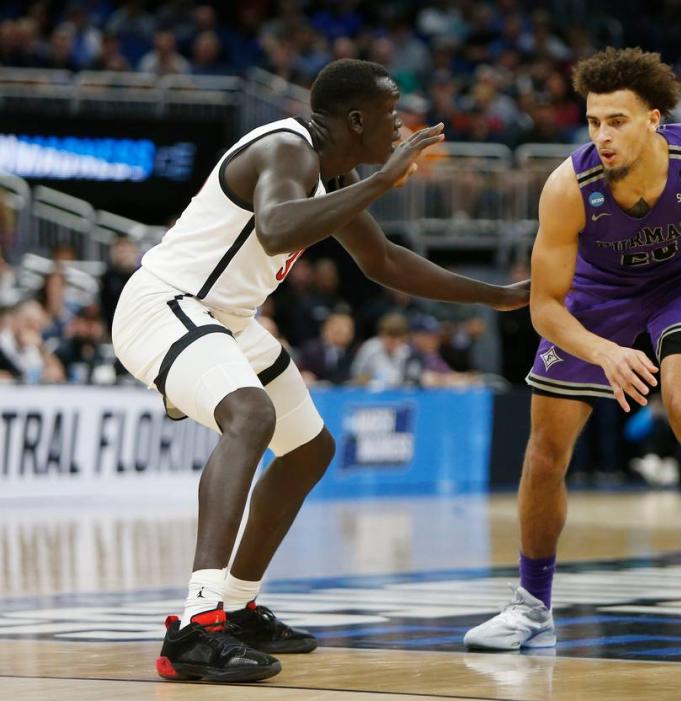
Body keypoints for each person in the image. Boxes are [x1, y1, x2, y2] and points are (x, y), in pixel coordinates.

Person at [111, 58, 528, 683]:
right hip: (166, 304)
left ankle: (237, 605)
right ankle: (195, 628)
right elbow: (278, 229)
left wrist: (496, 295)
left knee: (309, 449)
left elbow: (383, 260)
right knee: (250, 415)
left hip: (225, 316)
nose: (399, 129)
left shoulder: (333, 173)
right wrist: (383, 182)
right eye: (391, 117)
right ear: (356, 119)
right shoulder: (288, 149)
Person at [463, 48, 681, 659]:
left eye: (617, 120)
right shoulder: (568, 187)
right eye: (594, 122)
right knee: (544, 450)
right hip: (598, 294)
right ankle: (531, 606)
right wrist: (604, 352)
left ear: (655, 118)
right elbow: (544, 307)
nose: (603, 135)